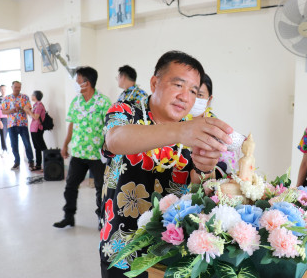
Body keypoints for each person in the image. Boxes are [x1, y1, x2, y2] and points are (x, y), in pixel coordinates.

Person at [99, 50, 233, 278]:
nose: (185, 97)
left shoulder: (194, 128)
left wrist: (204, 168)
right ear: (154, 83)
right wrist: (181, 131)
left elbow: (200, 191)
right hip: (123, 242)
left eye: (193, 91)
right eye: (178, 85)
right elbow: (114, 140)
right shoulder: (126, 110)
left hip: (173, 246)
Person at [53, 66, 111, 229]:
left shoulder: (103, 102)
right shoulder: (76, 101)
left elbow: (110, 127)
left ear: (87, 83)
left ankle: (102, 220)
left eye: (78, 81)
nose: (75, 84)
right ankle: (68, 216)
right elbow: (72, 125)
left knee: (101, 189)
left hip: (97, 154)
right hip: (78, 153)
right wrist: (65, 145)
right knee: (71, 186)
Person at [1, 81, 34, 170]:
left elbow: (29, 109)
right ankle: (17, 162)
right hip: (11, 125)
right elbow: (3, 111)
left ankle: (31, 161)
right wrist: (12, 110)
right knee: (14, 144)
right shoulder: (7, 98)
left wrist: (22, 109)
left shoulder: (25, 97)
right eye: (16, 87)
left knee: (27, 143)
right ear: (12, 87)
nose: (17, 89)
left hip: (23, 124)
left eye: (19, 87)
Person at [23, 90, 47, 171]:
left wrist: (29, 111)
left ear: (36, 96)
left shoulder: (39, 105)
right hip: (33, 128)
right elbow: (32, 117)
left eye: (32, 95)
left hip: (38, 128)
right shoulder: (35, 105)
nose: (31, 96)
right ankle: (38, 165)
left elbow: (36, 117)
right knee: (37, 147)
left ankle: (47, 165)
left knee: (42, 147)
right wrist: (28, 111)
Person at [0, 85, 8, 154]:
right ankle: (4, 149)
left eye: (4, 89)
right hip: (2, 119)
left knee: (11, 135)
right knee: (3, 134)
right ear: (0, 90)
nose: (3, 90)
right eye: (2, 89)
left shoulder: (9, 98)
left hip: (10, 119)